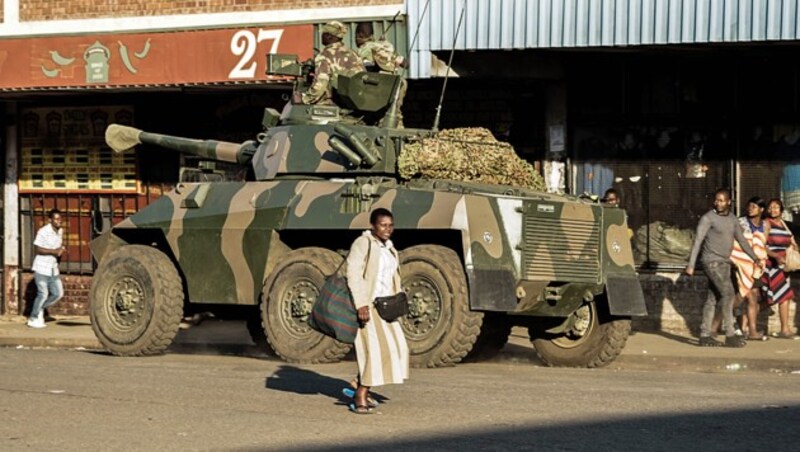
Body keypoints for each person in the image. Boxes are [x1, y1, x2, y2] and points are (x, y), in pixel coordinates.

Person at [345, 207, 409, 414]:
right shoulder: (363, 244)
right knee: (375, 351)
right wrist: (361, 303)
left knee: (398, 349)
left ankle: (358, 381)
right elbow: (353, 273)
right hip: (369, 306)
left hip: (386, 306)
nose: (388, 229)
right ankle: (361, 394)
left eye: (391, 225)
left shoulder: (389, 247)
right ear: (372, 225)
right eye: (383, 225)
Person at [686, 188, 763, 347]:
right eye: (716, 200)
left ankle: (705, 334)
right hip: (711, 262)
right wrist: (691, 265)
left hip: (725, 263)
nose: (718, 203)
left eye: (722, 200)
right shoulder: (708, 218)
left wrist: (755, 258)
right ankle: (730, 334)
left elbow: (742, 240)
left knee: (713, 298)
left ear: (729, 202)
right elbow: (698, 241)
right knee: (728, 294)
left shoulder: (733, 220)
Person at [729, 196, 769, 340]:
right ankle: (724, 315)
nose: (750, 209)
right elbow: (737, 243)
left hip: (756, 265)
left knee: (753, 298)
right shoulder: (741, 222)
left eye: (754, 206)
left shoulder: (765, 225)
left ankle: (752, 331)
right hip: (742, 264)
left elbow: (763, 245)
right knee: (742, 295)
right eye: (749, 206)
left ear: (761, 209)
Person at [355, 22, 408, 126]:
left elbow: (367, 69)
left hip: (379, 87)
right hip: (397, 85)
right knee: (395, 115)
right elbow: (406, 63)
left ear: (359, 35)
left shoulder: (364, 49)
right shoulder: (385, 47)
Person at [300, 21, 365, 106]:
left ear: (329, 36)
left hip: (333, 104)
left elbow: (320, 85)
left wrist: (304, 99)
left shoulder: (325, 55)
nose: (322, 36)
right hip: (355, 103)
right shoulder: (353, 54)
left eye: (323, 33)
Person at [761, 198, 799, 339]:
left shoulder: (784, 224)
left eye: (776, 207)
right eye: (770, 207)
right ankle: (746, 321)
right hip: (772, 265)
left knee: (779, 297)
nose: (773, 210)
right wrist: (775, 256)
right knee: (781, 296)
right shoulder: (767, 224)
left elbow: (790, 240)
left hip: (783, 266)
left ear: (782, 210)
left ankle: (745, 320)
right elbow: (762, 245)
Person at [27, 208, 65, 329]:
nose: (59, 221)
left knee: (58, 293)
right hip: (42, 267)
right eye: (56, 219)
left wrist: (61, 250)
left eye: (60, 218)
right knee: (43, 294)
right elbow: (37, 249)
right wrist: (54, 252)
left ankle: (40, 309)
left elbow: (58, 247)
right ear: (50, 220)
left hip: (53, 268)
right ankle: (33, 318)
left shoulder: (60, 231)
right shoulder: (43, 231)